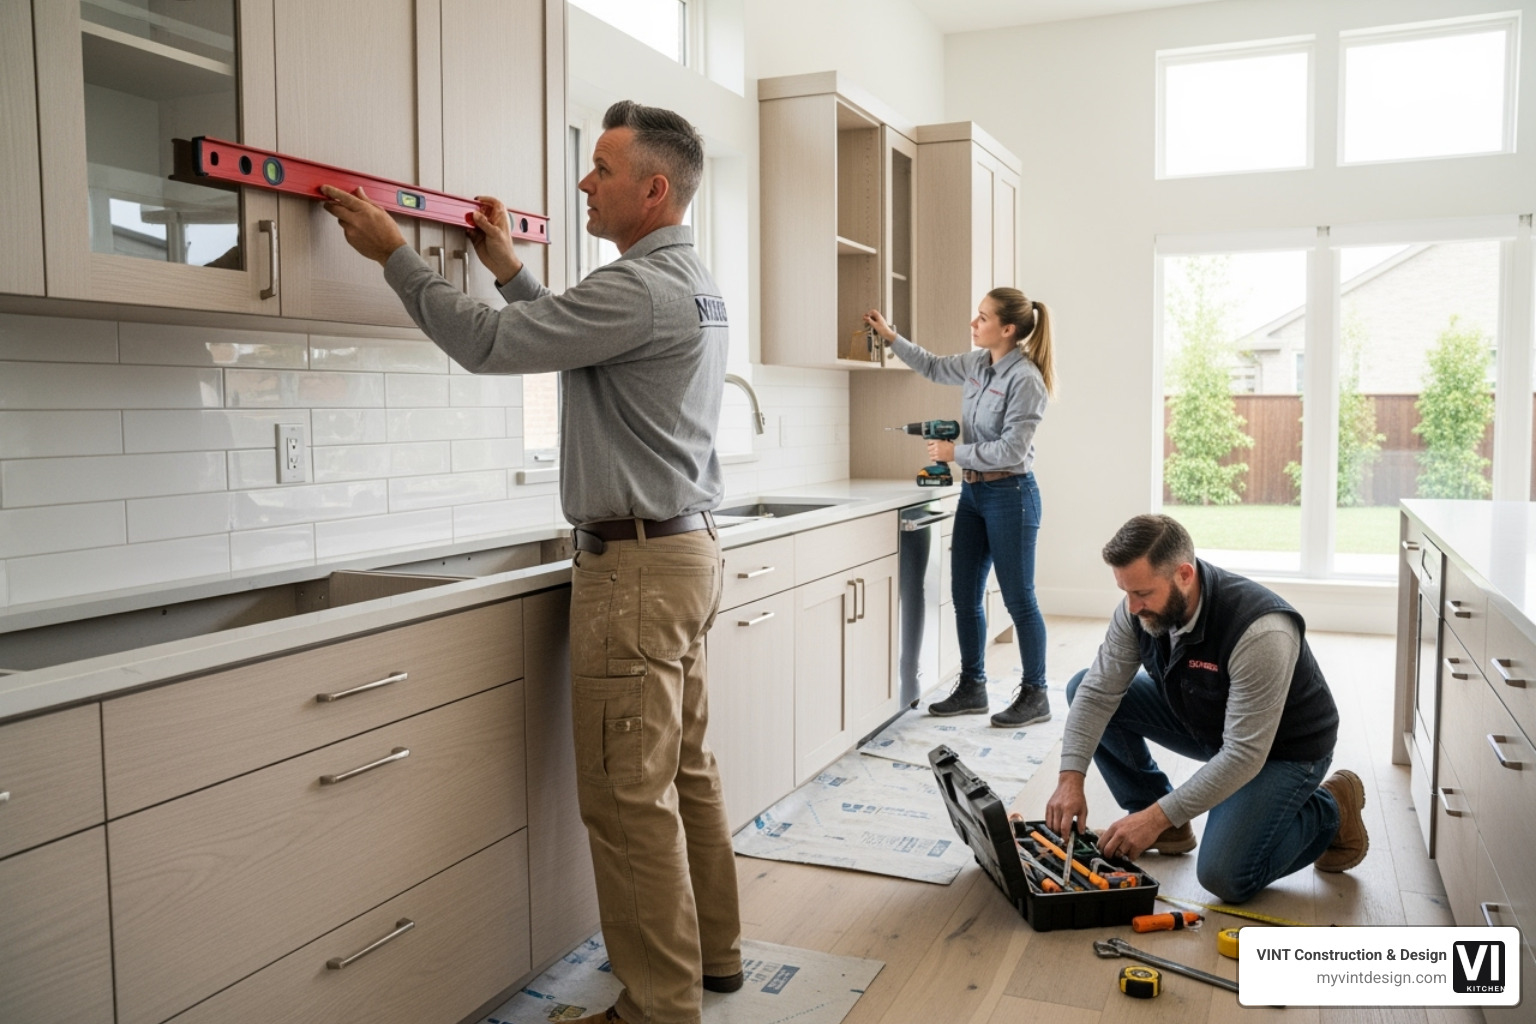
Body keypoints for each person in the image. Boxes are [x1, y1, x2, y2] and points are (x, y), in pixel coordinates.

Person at [320, 100, 741, 1024]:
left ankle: (656, 1010)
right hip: (685, 554)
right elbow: (567, 330)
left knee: (630, 802)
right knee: (686, 773)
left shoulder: (636, 285)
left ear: (654, 187)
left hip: (636, 574)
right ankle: (716, 962)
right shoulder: (688, 281)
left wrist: (396, 253)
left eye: (600, 169)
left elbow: (488, 346)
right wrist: (508, 267)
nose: (584, 183)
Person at [1044, 514, 1368, 905]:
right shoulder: (1139, 610)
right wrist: (1070, 779)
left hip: (1282, 751)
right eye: (1125, 592)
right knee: (1083, 686)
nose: (1131, 607)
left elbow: (1244, 754)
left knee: (1224, 875)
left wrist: (1155, 816)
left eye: (1143, 593)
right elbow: (1097, 694)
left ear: (1184, 574)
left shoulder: (1261, 630)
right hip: (1206, 719)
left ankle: (1332, 808)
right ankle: (1165, 827)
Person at [863, 291, 1055, 728]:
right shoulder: (976, 364)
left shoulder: (1026, 380)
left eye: (983, 317)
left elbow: (1012, 449)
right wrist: (891, 337)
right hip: (973, 497)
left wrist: (956, 452)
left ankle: (1035, 694)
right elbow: (931, 365)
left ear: (1007, 329)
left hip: (1012, 495)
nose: (974, 322)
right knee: (964, 595)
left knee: (1019, 599)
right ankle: (973, 686)